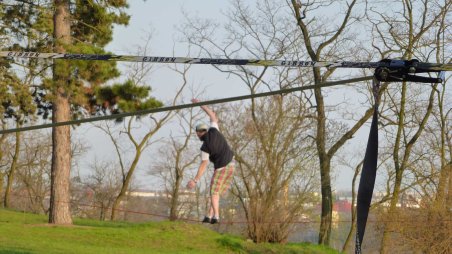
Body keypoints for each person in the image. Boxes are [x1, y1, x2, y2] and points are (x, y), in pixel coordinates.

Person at [186, 98, 234, 224]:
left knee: (213, 192)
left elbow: (204, 164)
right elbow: (212, 115)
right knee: (217, 192)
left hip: (221, 167)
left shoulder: (205, 147)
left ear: (199, 133)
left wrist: (195, 180)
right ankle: (209, 215)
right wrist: (200, 104)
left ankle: (216, 216)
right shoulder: (214, 129)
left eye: (197, 134)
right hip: (231, 165)